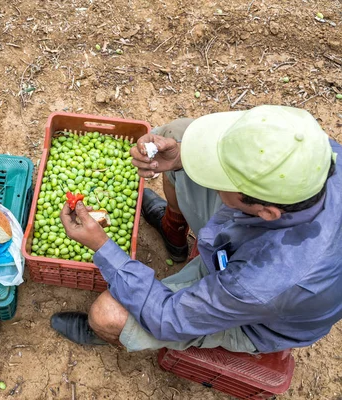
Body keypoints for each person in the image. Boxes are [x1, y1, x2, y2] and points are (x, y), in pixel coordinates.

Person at [50, 105, 342, 354]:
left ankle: (110, 335)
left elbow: (167, 316)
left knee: (107, 314)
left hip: (252, 317)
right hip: (248, 241)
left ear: (266, 211)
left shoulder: (261, 283)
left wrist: (103, 246)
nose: (210, 179)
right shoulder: (314, 152)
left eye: (221, 181)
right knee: (178, 134)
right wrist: (179, 159)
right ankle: (172, 229)